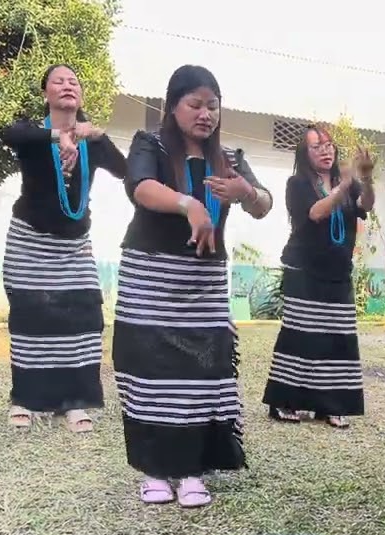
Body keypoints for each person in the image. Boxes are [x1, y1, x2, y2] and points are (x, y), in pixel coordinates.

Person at [114, 65, 273, 508]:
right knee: (152, 375)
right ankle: (154, 470)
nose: (206, 114)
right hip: (151, 275)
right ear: (173, 107)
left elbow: (264, 205)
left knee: (200, 377)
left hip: (203, 283)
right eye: (196, 104)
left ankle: (190, 470)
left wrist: (245, 191)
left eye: (213, 106)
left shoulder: (232, 159)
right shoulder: (152, 144)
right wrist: (189, 205)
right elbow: (140, 187)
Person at [0, 64, 127, 432]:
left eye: (74, 81)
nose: (67, 85)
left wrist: (96, 135)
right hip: (30, 240)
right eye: (59, 81)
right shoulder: (34, 133)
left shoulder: (92, 140)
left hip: (74, 245)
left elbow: (126, 171)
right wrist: (58, 137)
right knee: (31, 319)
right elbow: (11, 134)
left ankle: (75, 401)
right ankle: (26, 399)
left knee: (84, 318)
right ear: (46, 94)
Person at [262, 125, 374, 428]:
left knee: (338, 339)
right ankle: (284, 402)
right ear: (305, 153)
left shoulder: (347, 183)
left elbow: (366, 206)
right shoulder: (296, 184)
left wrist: (366, 177)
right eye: (317, 146)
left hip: (339, 271)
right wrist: (345, 185)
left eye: (328, 145)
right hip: (305, 269)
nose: (326, 150)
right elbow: (316, 213)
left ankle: (330, 405)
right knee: (301, 336)